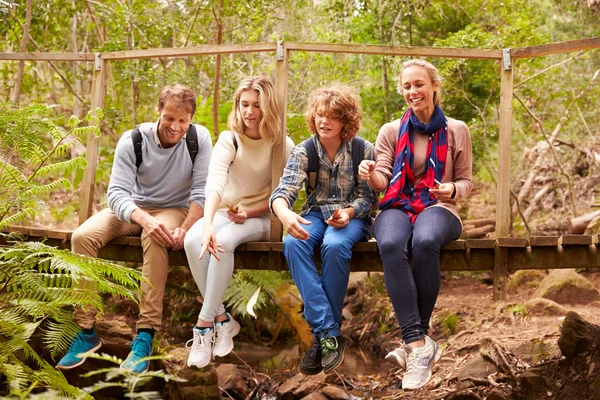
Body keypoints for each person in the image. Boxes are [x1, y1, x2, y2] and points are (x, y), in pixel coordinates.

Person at [56, 84, 212, 373]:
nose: (175, 127)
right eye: (169, 118)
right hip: (134, 209)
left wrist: (186, 228)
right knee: (82, 237)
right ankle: (86, 331)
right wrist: (144, 219)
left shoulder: (199, 139)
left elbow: (202, 192)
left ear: (191, 118)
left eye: (182, 120)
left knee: (156, 238)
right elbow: (116, 193)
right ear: (158, 112)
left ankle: (145, 335)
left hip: (174, 209)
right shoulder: (134, 140)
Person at [359, 59, 472, 390]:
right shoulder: (391, 131)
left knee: (424, 241)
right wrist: (371, 174)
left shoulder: (456, 129)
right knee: (391, 243)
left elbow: (466, 182)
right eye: (407, 86)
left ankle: (414, 343)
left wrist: (451, 188)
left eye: (419, 84)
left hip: (440, 207)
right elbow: (382, 181)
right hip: (397, 204)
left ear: (434, 86)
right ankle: (420, 345)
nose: (413, 91)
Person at [184, 75, 294, 369]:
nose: (249, 111)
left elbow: (282, 193)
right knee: (193, 239)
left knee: (223, 241)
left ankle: (204, 326)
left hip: (263, 217)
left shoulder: (282, 143)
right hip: (224, 212)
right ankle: (224, 319)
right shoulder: (229, 138)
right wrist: (207, 222)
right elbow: (215, 182)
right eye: (244, 104)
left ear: (268, 107)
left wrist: (250, 212)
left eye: (256, 105)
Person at [271, 85, 378, 375]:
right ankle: (330, 332)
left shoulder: (362, 149)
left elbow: (369, 197)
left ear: (346, 120)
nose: (324, 121)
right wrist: (285, 215)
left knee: (334, 245)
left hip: (354, 216)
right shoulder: (304, 151)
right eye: (319, 115)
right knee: (292, 244)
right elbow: (284, 191)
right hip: (316, 213)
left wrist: (350, 211)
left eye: (332, 116)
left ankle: (320, 338)